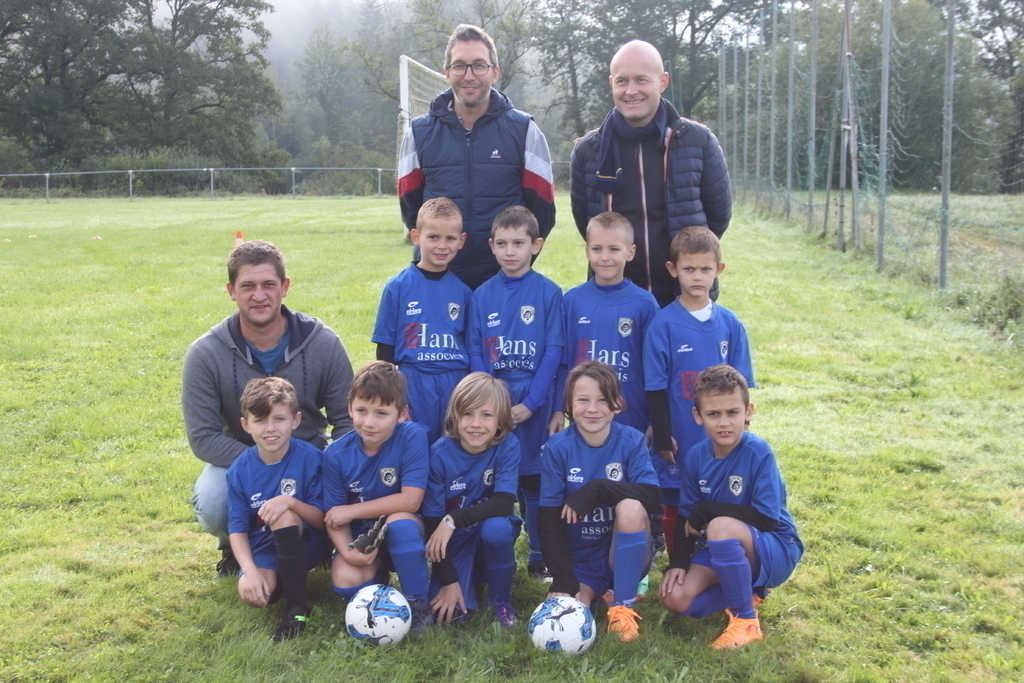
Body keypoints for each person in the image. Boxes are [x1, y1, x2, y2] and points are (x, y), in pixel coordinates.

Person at [183, 239, 353, 576]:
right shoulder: (204, 354)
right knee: (215, 500)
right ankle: (235, 547)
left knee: (353, 475)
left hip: (308, 456)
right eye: (247, 286)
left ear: (285, 287)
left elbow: (347, 419)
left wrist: (321, 464)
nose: (259, 296)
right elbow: (203, 437)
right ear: (231, 290)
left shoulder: (323, 342)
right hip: (242, 458)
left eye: (268, 285)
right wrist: (261, 466)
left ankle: (316, 543)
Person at [570, 39, 731, 308]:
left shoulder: (698, 141)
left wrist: (689, 263)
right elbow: (586, 223)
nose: (631, 90)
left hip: (683, 299)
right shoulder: (589, 150)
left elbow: (718, 218)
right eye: (622, 81)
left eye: (641, 80)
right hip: (615, 301)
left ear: (663, 81)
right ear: (611, 83)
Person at [398, 23, 556, 290]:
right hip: (438, 284)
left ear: (494, 72)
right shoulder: (419, 133)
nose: (469, 75)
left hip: (505, 284)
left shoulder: (524, 130)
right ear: (447, 72)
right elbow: (411, 208)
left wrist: (514, 264)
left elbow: (542, 211)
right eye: (459, 65)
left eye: (479, 65)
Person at [659, 365, 803, 649]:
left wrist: (709, 511)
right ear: (698, 416)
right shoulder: (696, 457)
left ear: (748, 412)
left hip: (775, 547)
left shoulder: (758, 452)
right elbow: (686, 515)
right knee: (674, 598)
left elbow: (766, 518)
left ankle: (745, 621)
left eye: (732, 412)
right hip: (722, 544)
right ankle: (748, 591)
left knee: (720, 526)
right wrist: (678, 562)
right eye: (714, 414)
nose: (724, 422)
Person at [643, 226, 754, 555]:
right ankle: (679, 561)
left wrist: (743, 432)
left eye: (706, 269)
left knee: (721, 495)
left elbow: (743, 389)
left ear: (718, 270)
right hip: (680, 438)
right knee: (676, 498)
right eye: (688, 268)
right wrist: (663, 437)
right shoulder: (663, 324)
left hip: (721, 436)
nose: (697, 276)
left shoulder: (730, 325)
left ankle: (718, 557)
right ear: (672, 269)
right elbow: (655, 386)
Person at [467, 206, 562, 580]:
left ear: (535, 246)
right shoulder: (481, 295)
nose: (510, 251)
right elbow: (475, 349)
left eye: (519, 243)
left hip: (531, 404)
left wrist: (532, 403)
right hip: (493, 405)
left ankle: (539, 554)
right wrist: (488, 401)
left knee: (535, 481)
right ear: (491, 246)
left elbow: (554, 352)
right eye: (502, 243)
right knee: (496, 480)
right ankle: (493, 549)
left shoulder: (549, 293)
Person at [539, 361, 661, 642]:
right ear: (569, 403)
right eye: (583, 400)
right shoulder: (558, 448)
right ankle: (599, 592)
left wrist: (600, 488)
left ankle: (622, 604)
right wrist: (562, 577)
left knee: (630, 506)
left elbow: (653, 498)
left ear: (617, 404)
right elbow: (547, 520)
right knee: (567, 614)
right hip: (580, 561)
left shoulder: (631, 441)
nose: (592, 409)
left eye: (602, 400)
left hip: (620, 554)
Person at [321, 361, 433, 631]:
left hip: (405, 528)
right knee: (345, 580)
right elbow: (334, 517)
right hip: (364, 538)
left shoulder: (413, 437)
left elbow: (411, 500)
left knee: (400, 523)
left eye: (381, 413)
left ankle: (417, 603)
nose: (369, 422)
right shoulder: (336, 455)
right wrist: (349, 553)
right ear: (349, 408)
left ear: (402, 413)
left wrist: (352, 510)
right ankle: (378, 579)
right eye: (361, 411)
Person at [226, 378, 327, 641]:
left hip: (308, 543)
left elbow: (323, 520)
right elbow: (236, 529)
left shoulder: (312, 458)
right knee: (257, 596)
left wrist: (291, 502)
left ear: (295, 420)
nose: (270, 429)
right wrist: (249, 571)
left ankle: (297, 608)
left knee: (284, 515)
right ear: (245, 425)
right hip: (265, 547)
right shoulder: (239, 470)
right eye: (260, 420)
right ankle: (284, 578)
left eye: (279, 419)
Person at [422, 373, 521, 627]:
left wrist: (453, 518)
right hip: (453, 539)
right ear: (455, 416)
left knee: (497, 528)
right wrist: (448, 581)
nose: (476, 424)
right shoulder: (439, 455)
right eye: (468, 414)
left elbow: (504, 502)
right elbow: (434, 523)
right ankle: (471, 579)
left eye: (486, 415)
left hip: (480, 529)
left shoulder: (508, 445)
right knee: (449, 618)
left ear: (500, 421)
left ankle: (501, 601)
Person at [373, 197, 473, 444]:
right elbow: (385, 352)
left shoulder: (465, 293)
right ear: (416, 236)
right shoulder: (397, 288)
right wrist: (392, 398)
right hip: (414, 384)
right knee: (415, 448)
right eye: (433, 237)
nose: (442, 246)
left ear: (461, 241)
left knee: (454, 448)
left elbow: (472, 345)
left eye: (450, 238)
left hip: (454, 382)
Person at [551, 211, 659, 437]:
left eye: (614, 249)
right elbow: (563, 363)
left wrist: (653, 419)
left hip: (631, 417)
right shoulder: (572, 301)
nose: (605, 257)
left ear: (630, 252)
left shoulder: (645, 303)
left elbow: (654, 367)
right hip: (584, 416)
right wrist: (558, 409)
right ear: (587, 250)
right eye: (597, 249)